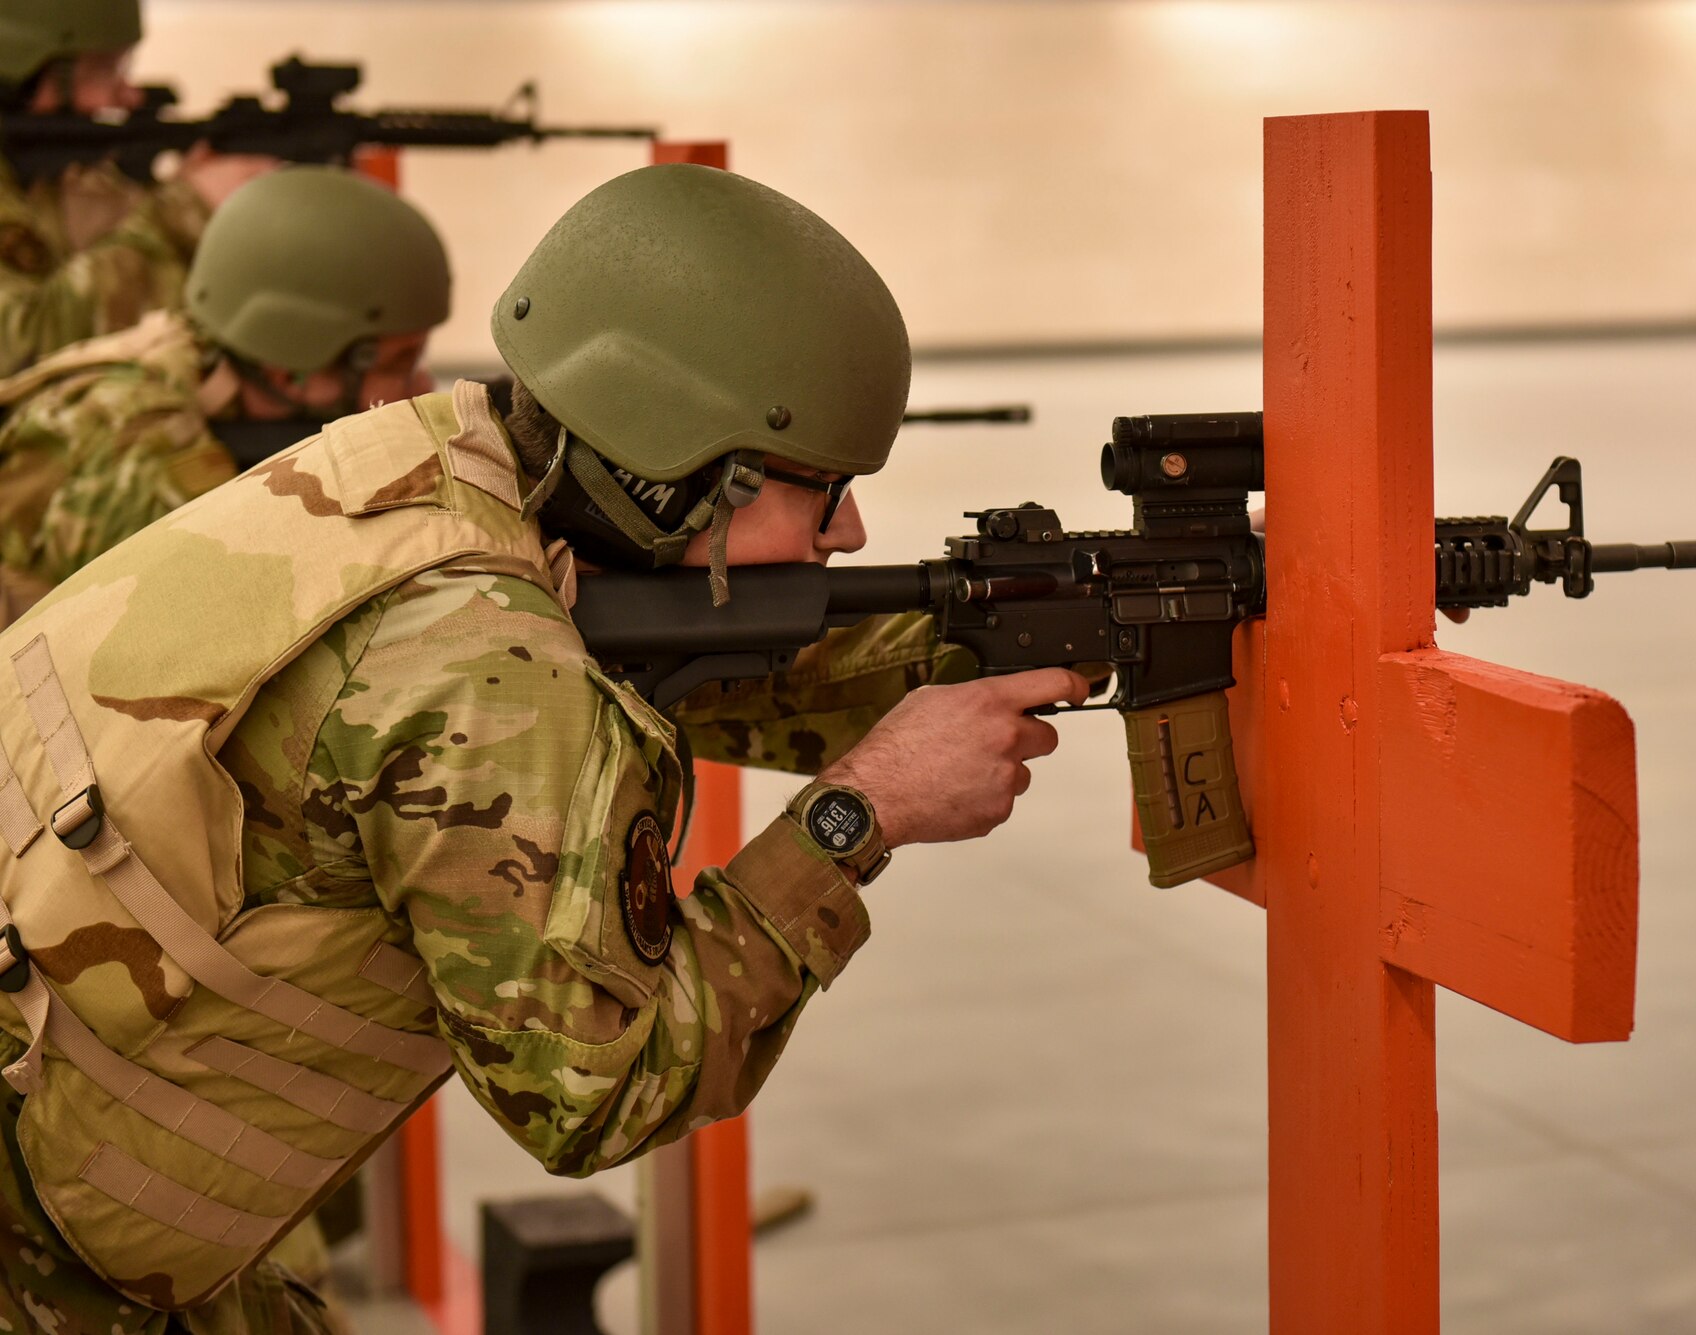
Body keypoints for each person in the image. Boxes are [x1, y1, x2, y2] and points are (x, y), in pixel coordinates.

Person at [0, 162, 1081, 1332]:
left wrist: (1025, 627)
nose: (850, 529)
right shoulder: (479, 659)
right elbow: (599, 1094)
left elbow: (718, 654)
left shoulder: (420, 468)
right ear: (679, 474)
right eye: (818, 490)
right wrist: (858, 813)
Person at [0, 163, 448, 624]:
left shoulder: (199, 361)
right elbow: (245, 633)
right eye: (396, 364)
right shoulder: (142, 445)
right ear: (291, 368)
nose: (421, 386)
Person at [0, 0, 281, 375]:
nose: (128, 95)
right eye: (104, 70)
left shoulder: (54, 177)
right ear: (25, 72)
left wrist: (185, 194)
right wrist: (181, 211)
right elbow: (19, 343)